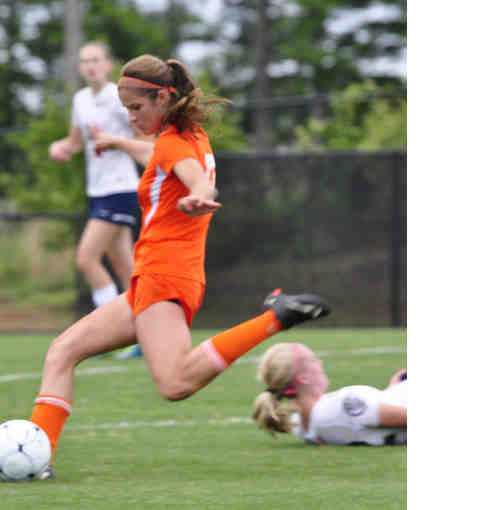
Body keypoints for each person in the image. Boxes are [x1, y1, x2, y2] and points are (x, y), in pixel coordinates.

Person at [29, 54, 331, 480]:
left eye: (137, 107)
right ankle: (36, 459)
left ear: (163, 97)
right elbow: (163, 157)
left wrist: (199, 193)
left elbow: (193, 177)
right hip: (158, 277)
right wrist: (120, 145)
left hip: (163, 276)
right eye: (126, 109)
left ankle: (274, 319)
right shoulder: (190, 136)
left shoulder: (173, 144)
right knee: (62, 351)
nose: (131, 117)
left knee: (174, 383)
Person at [49, 43, 148, 362]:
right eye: (84, 61)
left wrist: (115, 142)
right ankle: (148, 329)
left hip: (121, 188)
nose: (90, 65)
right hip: (97, 190)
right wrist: (62, 148)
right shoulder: (80, 99)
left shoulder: (119, 98)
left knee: (86, 259)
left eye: (95, 60)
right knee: (124, 265)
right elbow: (76, 142)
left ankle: (110, 334)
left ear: (108, 64)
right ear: (80, 67)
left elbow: (145, 140)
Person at [252, 342, 407, 445]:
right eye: (313, 360)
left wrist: (392, 390)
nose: (320, 363)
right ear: (303, 378)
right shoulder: (343, 405)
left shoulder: (301, 426)